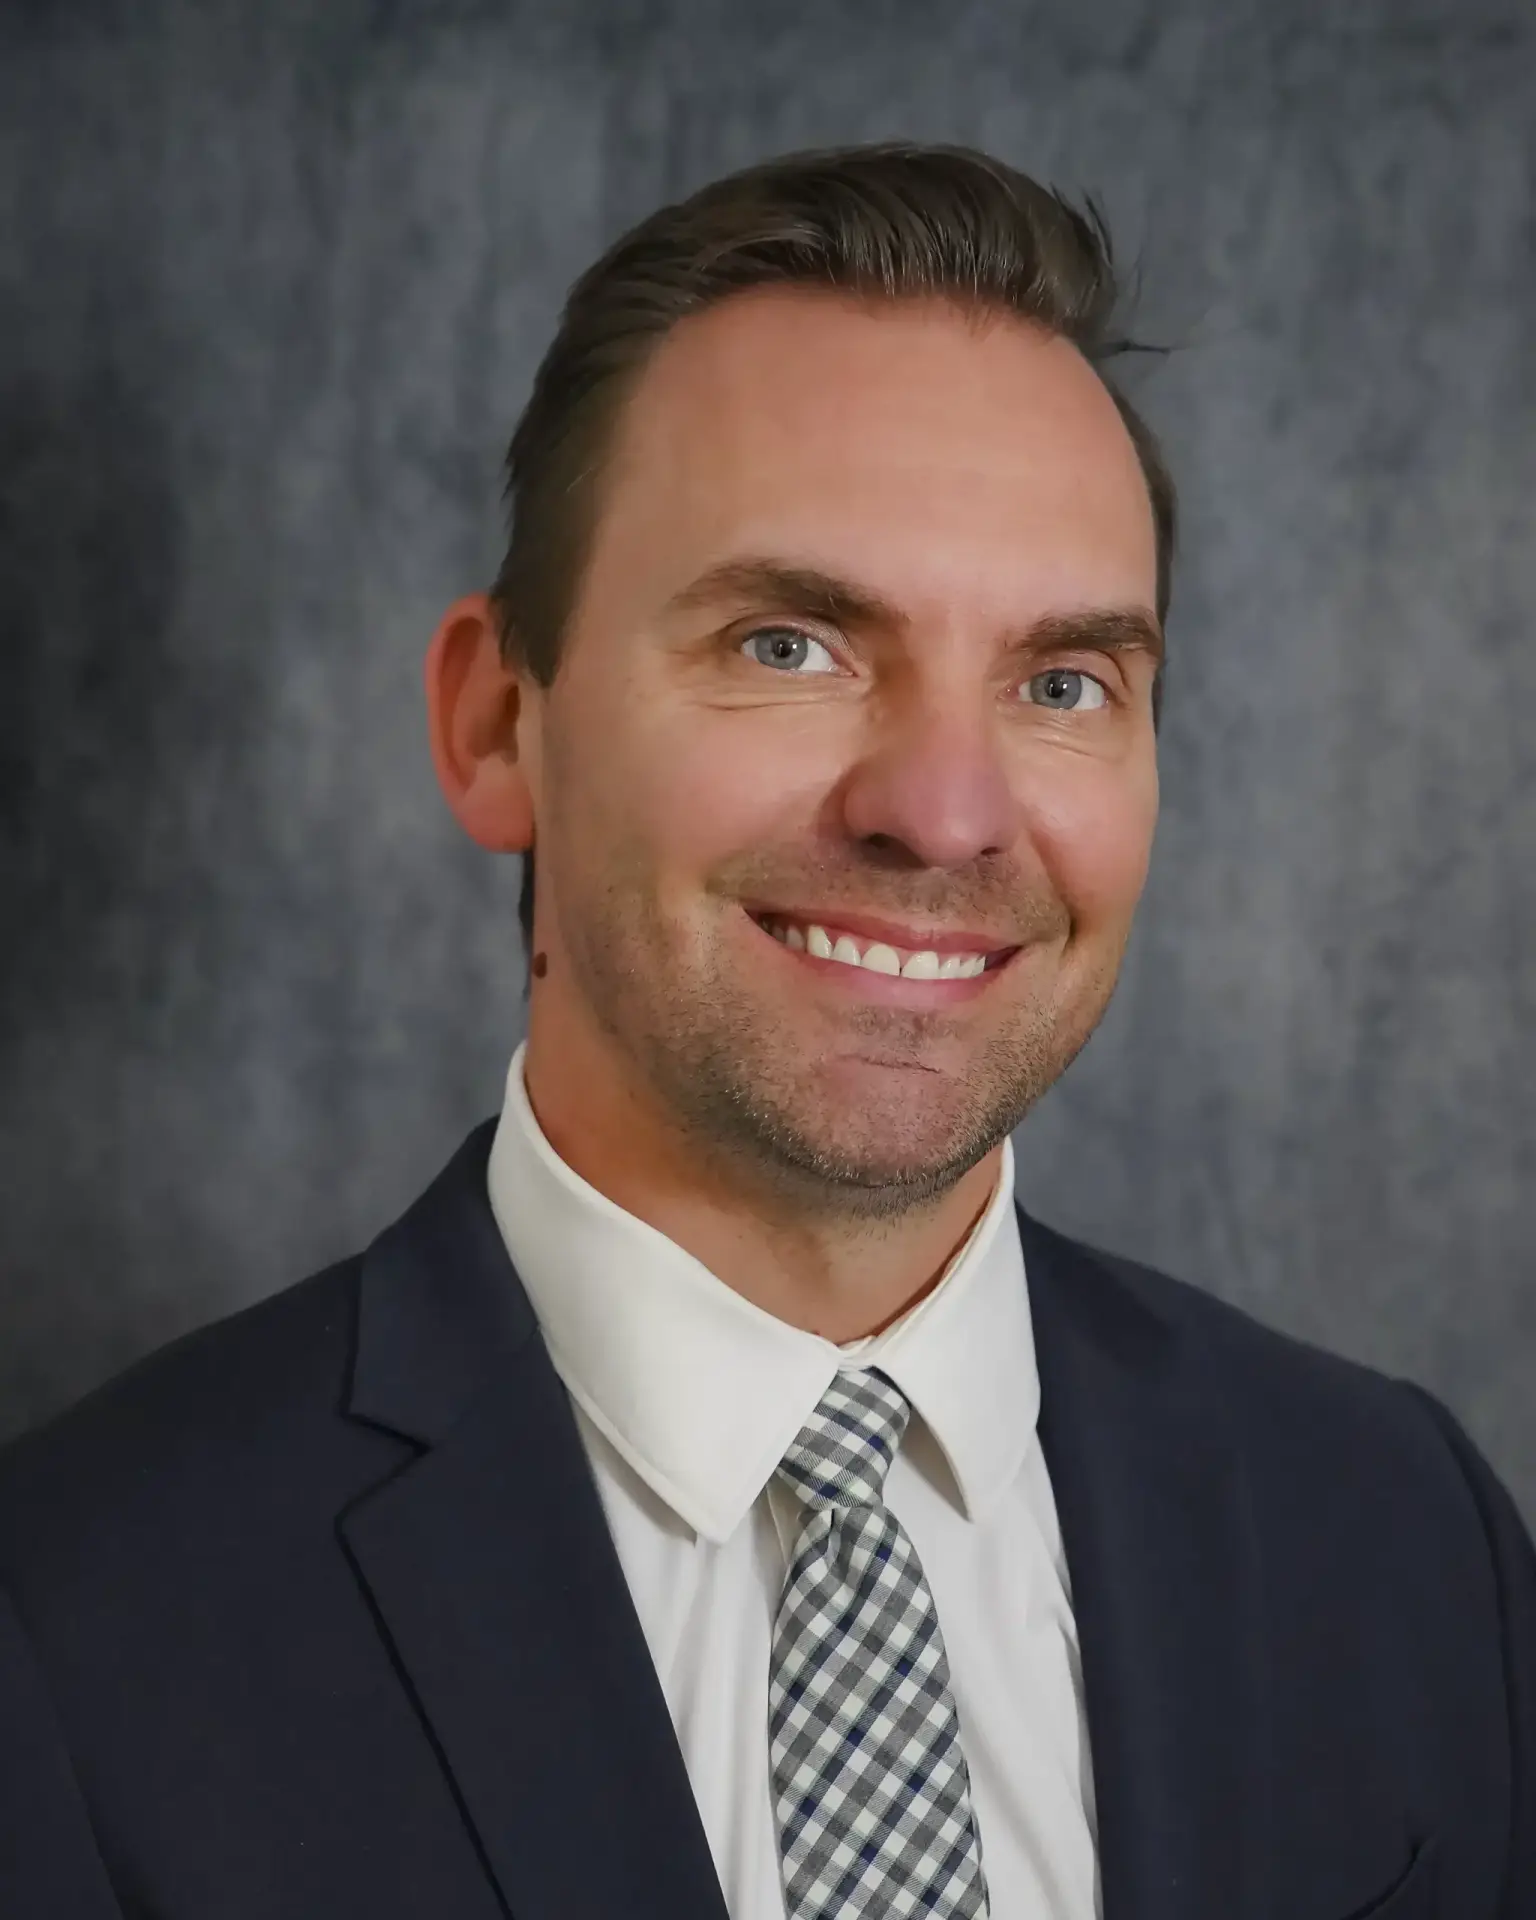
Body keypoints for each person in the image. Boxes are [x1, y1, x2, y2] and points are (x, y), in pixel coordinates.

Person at [0, 140, 1529, 1920]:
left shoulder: (1412, 1544)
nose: (945, 813)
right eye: (792, 644)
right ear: (501, 723)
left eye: (1061, 683)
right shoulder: (71, 1628)